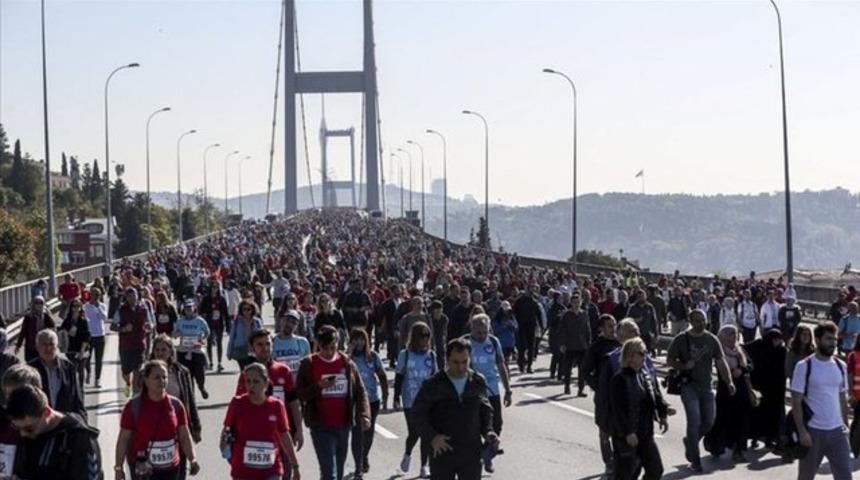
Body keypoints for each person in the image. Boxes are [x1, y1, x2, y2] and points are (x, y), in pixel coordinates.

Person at [410, 338, 498, 480]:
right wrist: (432, 437)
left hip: (471, 452)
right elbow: (418, 414)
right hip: (443, 452)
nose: (461, 367)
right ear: (447, 360)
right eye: (455, 362)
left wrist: (488, 432)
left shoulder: (477, 381)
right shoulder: (433, 384)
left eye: (465, 362)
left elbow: (485, 410)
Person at [295, 325, 370, 480]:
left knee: (339, 471)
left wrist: (364, 414)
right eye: (325, 348)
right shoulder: (308, 364)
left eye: (333, 347)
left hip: (343, 425)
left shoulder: (347, 363)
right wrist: (318, 386)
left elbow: (360, 392)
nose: (329, 352)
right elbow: (299, 394)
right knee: (330, 473)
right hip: (320, 427)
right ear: (318, 345)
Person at [666, 309, 735, 473]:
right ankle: (695, 460)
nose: (700, 323)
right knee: (694, 421)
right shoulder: (681, 339)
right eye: (697, 320)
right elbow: (669, 359)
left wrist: (729, 381)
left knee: (709, 421)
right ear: (691, 321)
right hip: (688, 386)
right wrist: (683, 366)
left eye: (703, 320)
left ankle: (690, 441)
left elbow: (720, 361)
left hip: (706, 386)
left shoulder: (711, 339)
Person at [115, 360, 199, 480]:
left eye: (165, 377)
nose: (162, 381)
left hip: (171, 469)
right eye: (157, 377)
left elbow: (184, 436)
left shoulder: (176, 405)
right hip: (143, 470)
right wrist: (118, 468)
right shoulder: (133, 407)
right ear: (146, 380)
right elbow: (123, 439)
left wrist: (192, 459)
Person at [790, 321, 852, 480]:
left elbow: (841, 397)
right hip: (813, 432)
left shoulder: (841, 366)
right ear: (817, 340)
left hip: (837, 432)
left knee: (845, 476)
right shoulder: (804, 366)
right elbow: (796, 402)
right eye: (829, 339)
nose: (833, 343)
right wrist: (802, 432)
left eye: (835, 340)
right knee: (805, 476)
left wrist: (846, 426)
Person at [223, 363, 302, 480]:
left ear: (266, 383)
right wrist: (226, 449)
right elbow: (226, 431)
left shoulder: (276, 406)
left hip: (271, 471)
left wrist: (295, 466)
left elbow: (284, 436)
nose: (251, 386)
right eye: (248, 381)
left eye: (256, 382)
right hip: (243, 471)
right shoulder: (237, 403)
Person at [7, 385, 102, 480]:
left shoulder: (80, 440)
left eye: (29, 428)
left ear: (47, 412)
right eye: (16, 428)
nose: (23, 434)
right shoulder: (28, 435)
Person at [236, 329, 304, 454]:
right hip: (256, 436)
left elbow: (294, 403)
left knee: (285, 471)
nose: (265, 348)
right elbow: (239, 406)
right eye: (260, 344)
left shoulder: (283, 370)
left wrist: (299, 430)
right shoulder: (247, 374)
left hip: (282, 434)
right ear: (252, 348)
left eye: (268, 344)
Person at [609, 337, 668, 480]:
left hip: (646, 433)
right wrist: (628, 432)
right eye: (641, 353)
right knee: (625, 474)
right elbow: (617, 410)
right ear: (630, 356)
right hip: (627, 436)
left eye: (646, 352)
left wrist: (663, 414)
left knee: (656, 470)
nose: (645, 356)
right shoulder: (620, 379)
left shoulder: (645, 375)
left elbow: (655, 396)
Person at [147, 335, 202, 479]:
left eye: (164, 350)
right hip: (152, 426)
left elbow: (190, 400)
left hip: (177, 424)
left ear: (171, 352)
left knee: (179, 469)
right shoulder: (145, 373)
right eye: (157, 350)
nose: (160, 353)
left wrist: (196, 427)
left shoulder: (182, 372)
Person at [704, 325, 755, 461]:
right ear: (724, 336)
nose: (734, 337)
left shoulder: (740, 350)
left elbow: (750, 365)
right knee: (723, 419)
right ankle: (714, 444)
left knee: (742, 419)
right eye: (731, 334)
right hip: (726, 389)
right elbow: (716, 367)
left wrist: (741, 370)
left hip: (742, 389)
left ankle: (739, 450)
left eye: (736, 334)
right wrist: (729, 375)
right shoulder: (718, 350)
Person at [395, 322, 438, 477]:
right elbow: (399, 376)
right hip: (410, 399)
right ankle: (407, 454)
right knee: (414, 432)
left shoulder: (432, 356)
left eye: (428, 336)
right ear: (414, 337)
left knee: (426, 433)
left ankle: (423, 465)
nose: (425, 339)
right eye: (422, 336)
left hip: (427, 401)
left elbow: (436, 378)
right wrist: (396, 397)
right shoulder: (405, 354)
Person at [580, 314, 620, 477]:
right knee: (604, 430)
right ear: (601, 328)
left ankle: (619, 461)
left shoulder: (621, 343)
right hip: (604, 396)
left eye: (615, 325)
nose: (613, 329)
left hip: (620, 394)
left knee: (620, 429)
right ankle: (608, 462)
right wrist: (598, 386)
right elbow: (585, 370)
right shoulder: (596, 347)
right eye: (610, 326)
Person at [347, 328, 388, 480]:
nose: (359, 342)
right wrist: (348, 354)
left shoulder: (372, 357)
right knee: (357, 434)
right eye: (355, 339)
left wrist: (385, 395)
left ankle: (364, 456)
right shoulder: (347, 358)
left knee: (368, 435)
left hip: (372, 400)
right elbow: (339, 372)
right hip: (354, 402)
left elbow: (382, 376)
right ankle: (358, 466)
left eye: (362, 339)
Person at [464, 314, 511, 443]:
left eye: (485, 332)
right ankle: (479, 451)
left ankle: (488, 447)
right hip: (471, 390)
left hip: (491, 388)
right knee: (476, 424)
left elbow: (501, 366)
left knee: (497, 423)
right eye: (478, 332)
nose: (482, 335)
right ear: (472, 328)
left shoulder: (494, 342)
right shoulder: (465, 342)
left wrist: (508, 390)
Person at [28, 329, 86, 419]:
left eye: (51, 344)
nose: (48, 348)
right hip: (40, 425)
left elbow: (78, 399)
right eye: (44, 344)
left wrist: (82, 421)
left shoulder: (68, 368)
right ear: (37, 347)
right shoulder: (29, 370)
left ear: (57, 346)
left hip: (64, 423)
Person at [746, 328, 787, 450]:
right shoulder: (758, 345)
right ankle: (754, 438)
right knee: (757, 413)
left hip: (775, 388)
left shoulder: (781, 350)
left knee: (773, 414)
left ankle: (770, 439)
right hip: (760, 386)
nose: (778, 342)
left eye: (779, 339)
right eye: (775, 339)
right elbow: (743, 348)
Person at [116, 287, 150, 397]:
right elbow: (113, 326)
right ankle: (128, 383)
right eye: (129, 296)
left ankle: (135, 396)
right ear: (126, 297)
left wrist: (149, 326)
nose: (132, 298)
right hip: (125, 345)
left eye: (133, 295)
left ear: (137, 296)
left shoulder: (144, 308)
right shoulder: (121, 310)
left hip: (140, 343)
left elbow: (151, 322)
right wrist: (124, 329)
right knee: (125, 373)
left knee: (138, 370)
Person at [174, 299, 211, 399]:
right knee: (187, 375)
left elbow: (207, 332)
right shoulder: (180, 321)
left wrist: (202, 337)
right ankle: (191, 396)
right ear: (184, 309)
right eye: (186, 308)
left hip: (197, 350)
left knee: (199, 373)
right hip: (184, 351)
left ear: (194, 308)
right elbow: (174, 334)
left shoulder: (200, 321)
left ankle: (201, 387)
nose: (188, 310)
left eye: (190, 308)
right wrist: (178, 334)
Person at [557, 291, 591, 397]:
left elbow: (587, 329)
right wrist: (562, 344)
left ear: (580, 302)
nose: (576, 304)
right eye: (574, 302)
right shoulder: (567, 315)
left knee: (582, 369)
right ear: (571, 303)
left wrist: (589, 343)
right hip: (569, 345)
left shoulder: (584, 314)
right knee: (567, 368)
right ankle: (566, 385)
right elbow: (562, 330)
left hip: (582, 345)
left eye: (578, 302)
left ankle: (580, 389)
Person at [14, 296, 57, 362]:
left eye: (41, 303)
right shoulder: (28, 317)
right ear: (33, 304)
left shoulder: (46, 316)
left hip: (43, 347)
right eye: (36, 303)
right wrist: (18, 345)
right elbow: (23, 332)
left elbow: (53, 329)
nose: (39, 305)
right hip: (31, 347)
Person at [60, 298, 91, 387]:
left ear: (81, 307)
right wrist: (66, 332)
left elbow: (87, 336)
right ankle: (73, 389)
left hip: (82, 348)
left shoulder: (83, 320)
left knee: (80, 370)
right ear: (71, 307)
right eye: (74, 306)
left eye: (78, 306)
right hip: (71, 349)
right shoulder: (68, 320)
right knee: (72, 370)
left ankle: (81, 389)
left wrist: (82, 350)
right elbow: (62, 330)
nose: (76, 308)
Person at [199, 285, 229, 372]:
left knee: (219, 343)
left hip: (219, 323)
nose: (214, 289)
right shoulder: (206, 299)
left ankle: (219, 363)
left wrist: (228, 326)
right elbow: (201, 310)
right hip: (209, 323)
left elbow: (226, 313)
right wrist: (207, 313)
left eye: (215, 288)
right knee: (209, 343)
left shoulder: (221, 299)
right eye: (212, 288)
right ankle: (211, 362)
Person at [513, 285, 542, 373]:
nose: (530, 292)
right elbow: (514, 312)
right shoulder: (519, 301)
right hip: (522, 325)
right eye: (529, 290)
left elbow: (538, 314)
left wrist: (541, 325)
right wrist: (515, 323)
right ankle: (521, 365)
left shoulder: (534, 302)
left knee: (531, 347)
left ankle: (529, 366)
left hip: (531, 326)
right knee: (522, 346)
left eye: (532, 291)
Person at [273, 309, 312, 374]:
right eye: (287, 320)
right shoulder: (271, 341)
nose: (289, 324)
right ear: (281, 320)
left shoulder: (303, 342)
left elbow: (308, 366)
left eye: (293, 323)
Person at [227, 300, 264, 367]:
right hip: (240, 350)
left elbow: (262, 336)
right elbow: (232, 337)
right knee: (244, 371)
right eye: (244, 309)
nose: (246, 311)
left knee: (254, 370)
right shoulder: (237, 322)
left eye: (248, 309)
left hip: (254, 349)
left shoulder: (257, 321)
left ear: (252, 310)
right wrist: (229, 352)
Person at [84, 287, 108, 387]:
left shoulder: (102, 306)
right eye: (95, 294)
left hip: (100, 335)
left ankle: (97, 379)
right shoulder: (86, 307)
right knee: (87, 358)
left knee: (99, 359)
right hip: (89, 336)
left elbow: (104, 318)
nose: (96, 297)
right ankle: (88, 372)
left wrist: (98, 308)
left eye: (98, 295)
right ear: (91, 295)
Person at [845, 334, 860, 457]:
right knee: (857, 420)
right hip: (857, 395)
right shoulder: (853, 355)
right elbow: (849, 375)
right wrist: (850, 393)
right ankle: (854, 446)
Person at [428, 301, 450, 370]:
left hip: (440, 340)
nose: (438, 311)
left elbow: (444, 331)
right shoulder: (429, 318)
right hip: (431, 339)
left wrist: (444, 342)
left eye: (440, 308)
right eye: (436, 309)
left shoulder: (444, 318)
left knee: (441, 357)